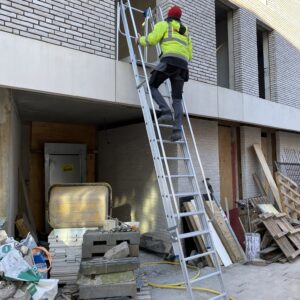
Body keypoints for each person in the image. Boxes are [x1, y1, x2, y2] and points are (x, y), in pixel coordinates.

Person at [136, 5, 192, 141]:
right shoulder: (185, 32)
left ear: (169, 14)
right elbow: (190, 54)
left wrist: (139, 40)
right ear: (179, 17)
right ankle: (177, 129)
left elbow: (152, 40)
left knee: (152, 85)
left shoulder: (163, 24)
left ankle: (165, 111)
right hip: (183, 66)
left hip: (169, 61)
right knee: (177, 98)